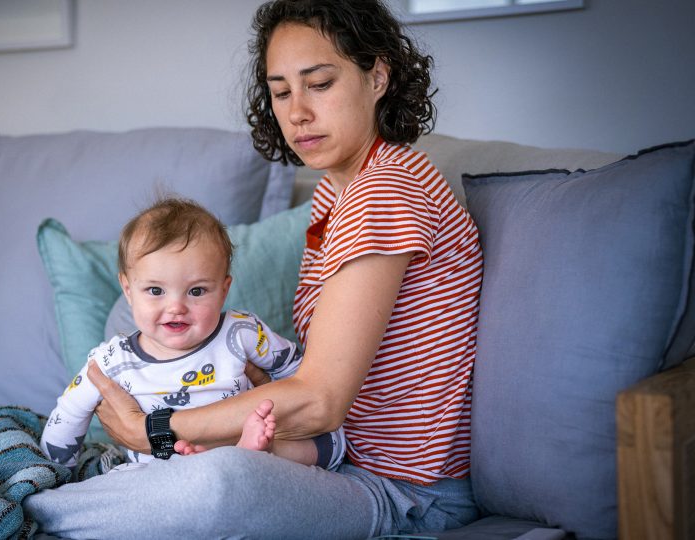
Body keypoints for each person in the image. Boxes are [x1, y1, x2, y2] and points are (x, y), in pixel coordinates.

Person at [25, 1, 483, 537]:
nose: (297, 113)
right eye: (282, 91)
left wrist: (153, 431)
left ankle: (31, 516)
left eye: (319, 83)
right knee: (211, 469)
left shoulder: (384, 190)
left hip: (403, 492)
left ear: (377, 75)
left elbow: (319, 401)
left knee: (222, 483)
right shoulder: (334, 197)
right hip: (333, 461)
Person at [39, 197, 345, 471]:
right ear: (128, 290)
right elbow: (69, 412)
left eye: (197, 291)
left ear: (224, 290)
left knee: (329, 445)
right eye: (155, 290)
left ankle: (255, 454)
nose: (176, 307)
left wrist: (271, 412)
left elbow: (302, 376)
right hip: (157, 473)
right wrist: (55, 470)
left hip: (241, 451)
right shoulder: (111, 360)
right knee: (126, 478)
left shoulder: (241, 332)